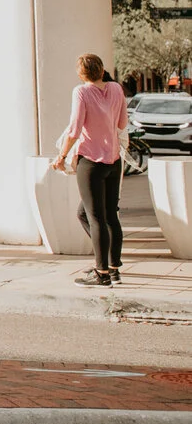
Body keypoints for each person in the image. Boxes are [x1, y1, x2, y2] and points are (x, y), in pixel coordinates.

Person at [54, 51, 129, 286]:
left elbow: (75, 130)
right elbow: (122, 123)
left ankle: (101, 273)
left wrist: (61, 156)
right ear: (101, 68)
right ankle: (113, 269)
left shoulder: (81, 91)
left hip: (91, 162)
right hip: (114, 161)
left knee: (94, 217)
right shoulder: (116, 88)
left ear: (81, 73)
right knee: (107, 216)